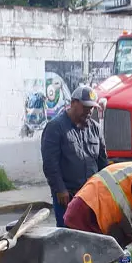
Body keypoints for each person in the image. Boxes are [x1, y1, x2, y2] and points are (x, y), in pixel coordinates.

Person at [41, 85, 107, 227]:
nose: (89, 112)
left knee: (92, 235)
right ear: (73, 103)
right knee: (68, 237)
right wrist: (60, 189)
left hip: (91, 196)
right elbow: (50, 163)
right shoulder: (55, 127)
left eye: (92, 108)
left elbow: (102, 163)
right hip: (67, 196)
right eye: (85, 107)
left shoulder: (96, 128)